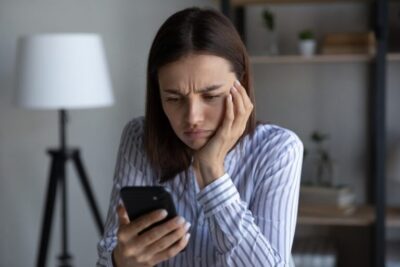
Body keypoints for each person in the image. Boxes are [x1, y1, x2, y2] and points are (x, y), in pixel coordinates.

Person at [97, 7, 303, 267]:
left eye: (211, 97)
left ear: (241, 85)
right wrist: (120, 261)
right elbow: (107, 254)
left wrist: (211, 172)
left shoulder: (278, 150)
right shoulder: (139, 138)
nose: (192, 117)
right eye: (173, 98)